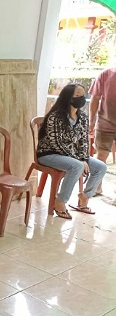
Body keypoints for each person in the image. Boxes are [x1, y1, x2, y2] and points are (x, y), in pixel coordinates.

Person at [37, 84, 107, 219]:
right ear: (68, 97)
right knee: (77, 166)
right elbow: (56, 143)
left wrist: (84, 158)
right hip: (49, 153)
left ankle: (85, 197)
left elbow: (84, 141)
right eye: (78, 95)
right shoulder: (55, 117)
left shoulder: (83, 118)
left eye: (83, 95)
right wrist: (79, 160)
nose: (81, 98)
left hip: (72, 155)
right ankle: (60, 202)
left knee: (101, 167)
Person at [89, 66, 116, 194]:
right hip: (105, 122)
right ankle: (96, 187)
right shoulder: (105, 74)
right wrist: (91, 121)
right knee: (101, 156)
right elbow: (95, 98)